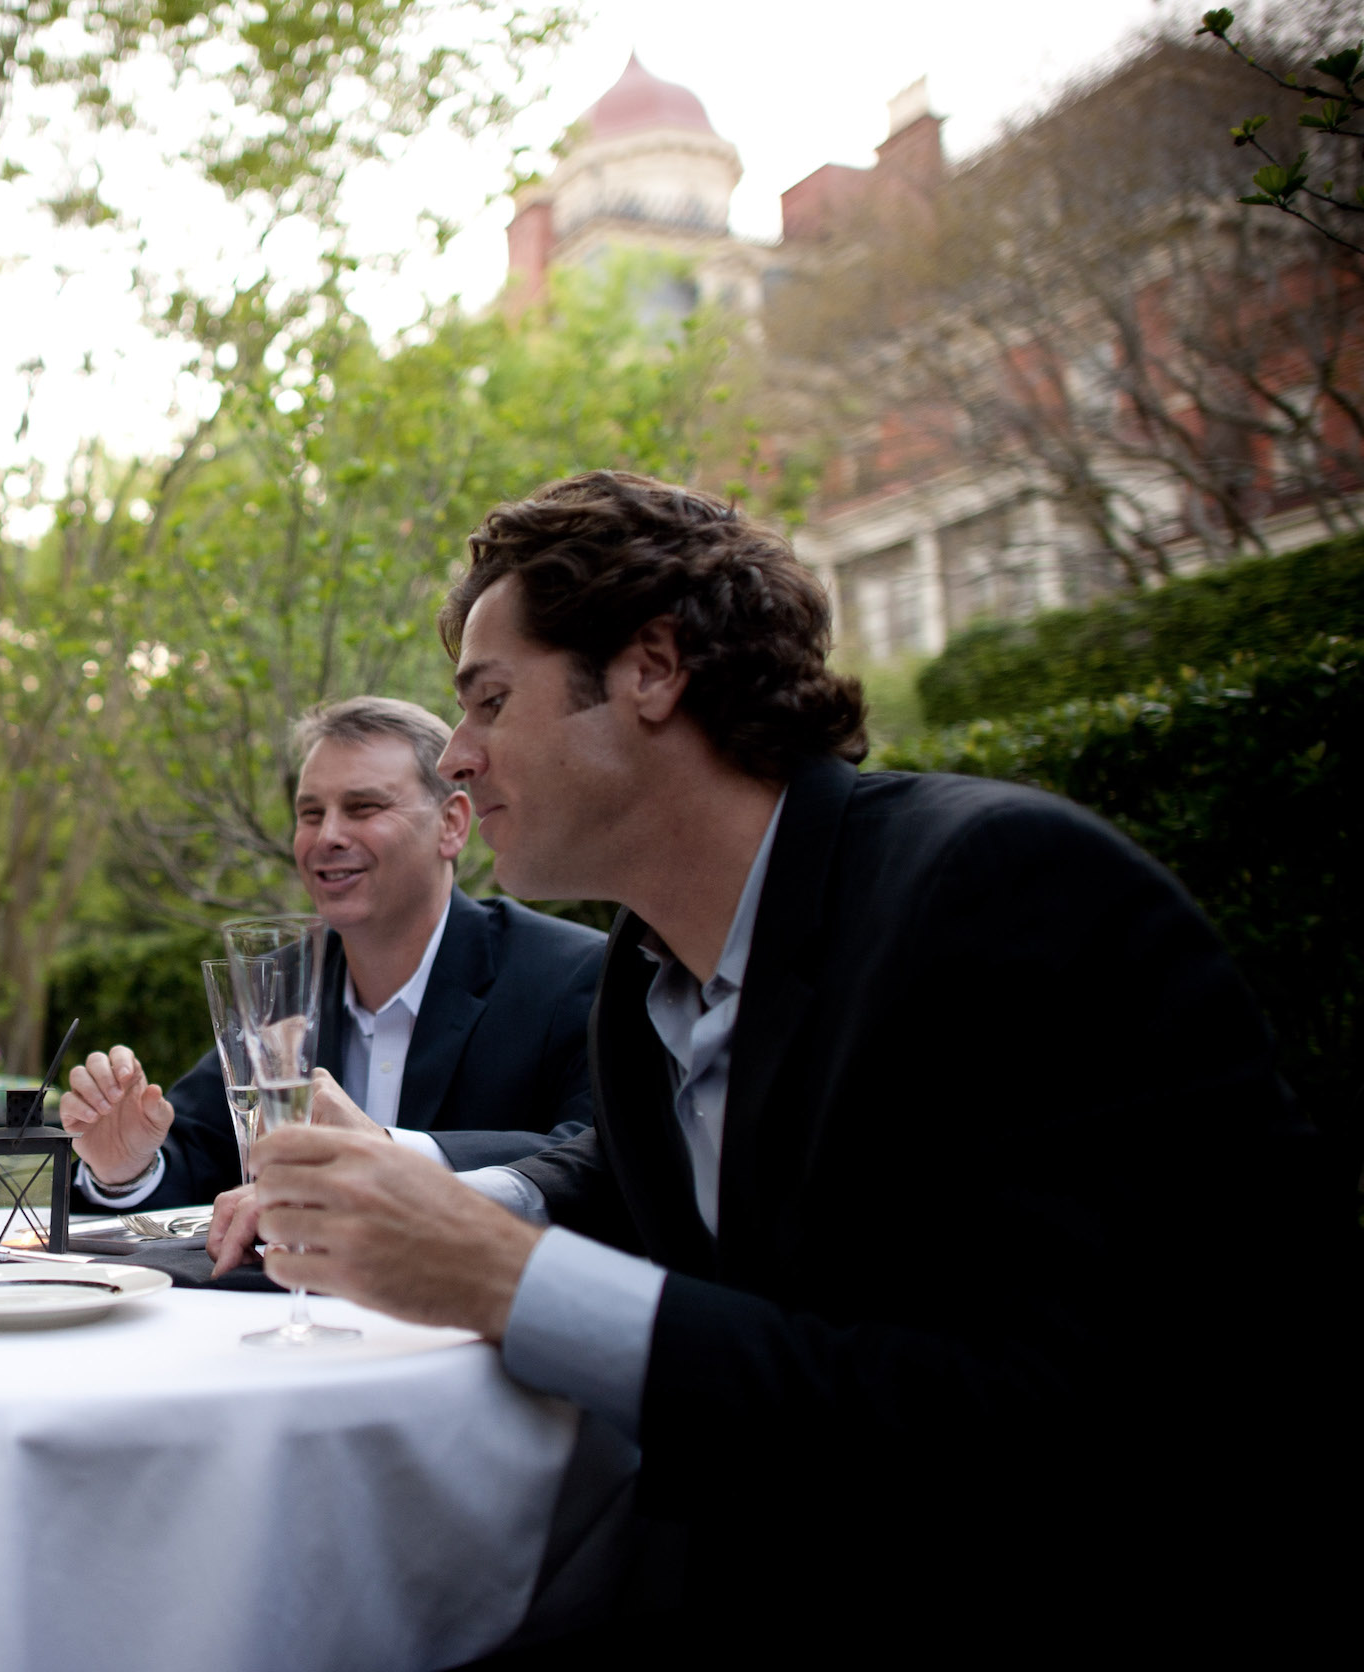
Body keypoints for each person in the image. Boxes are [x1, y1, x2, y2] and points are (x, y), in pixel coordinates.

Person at [240, 471, 1344, 1653]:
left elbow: (1054, 1416)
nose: (456, 756)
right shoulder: (645, 973)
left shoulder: (998, 894)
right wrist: (435, 1187)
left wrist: (509, 1281)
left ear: (653, 668)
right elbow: (639, 1178)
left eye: (490, 700)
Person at [60, 697, 605, 1215]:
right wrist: (129, 1168)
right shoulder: (280, 983)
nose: (329, 836)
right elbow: (200, 1154)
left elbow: (600, 1159)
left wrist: (393, 1152)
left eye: (364, 807)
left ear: (453, 824)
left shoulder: (567, 975)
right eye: (311, 813)